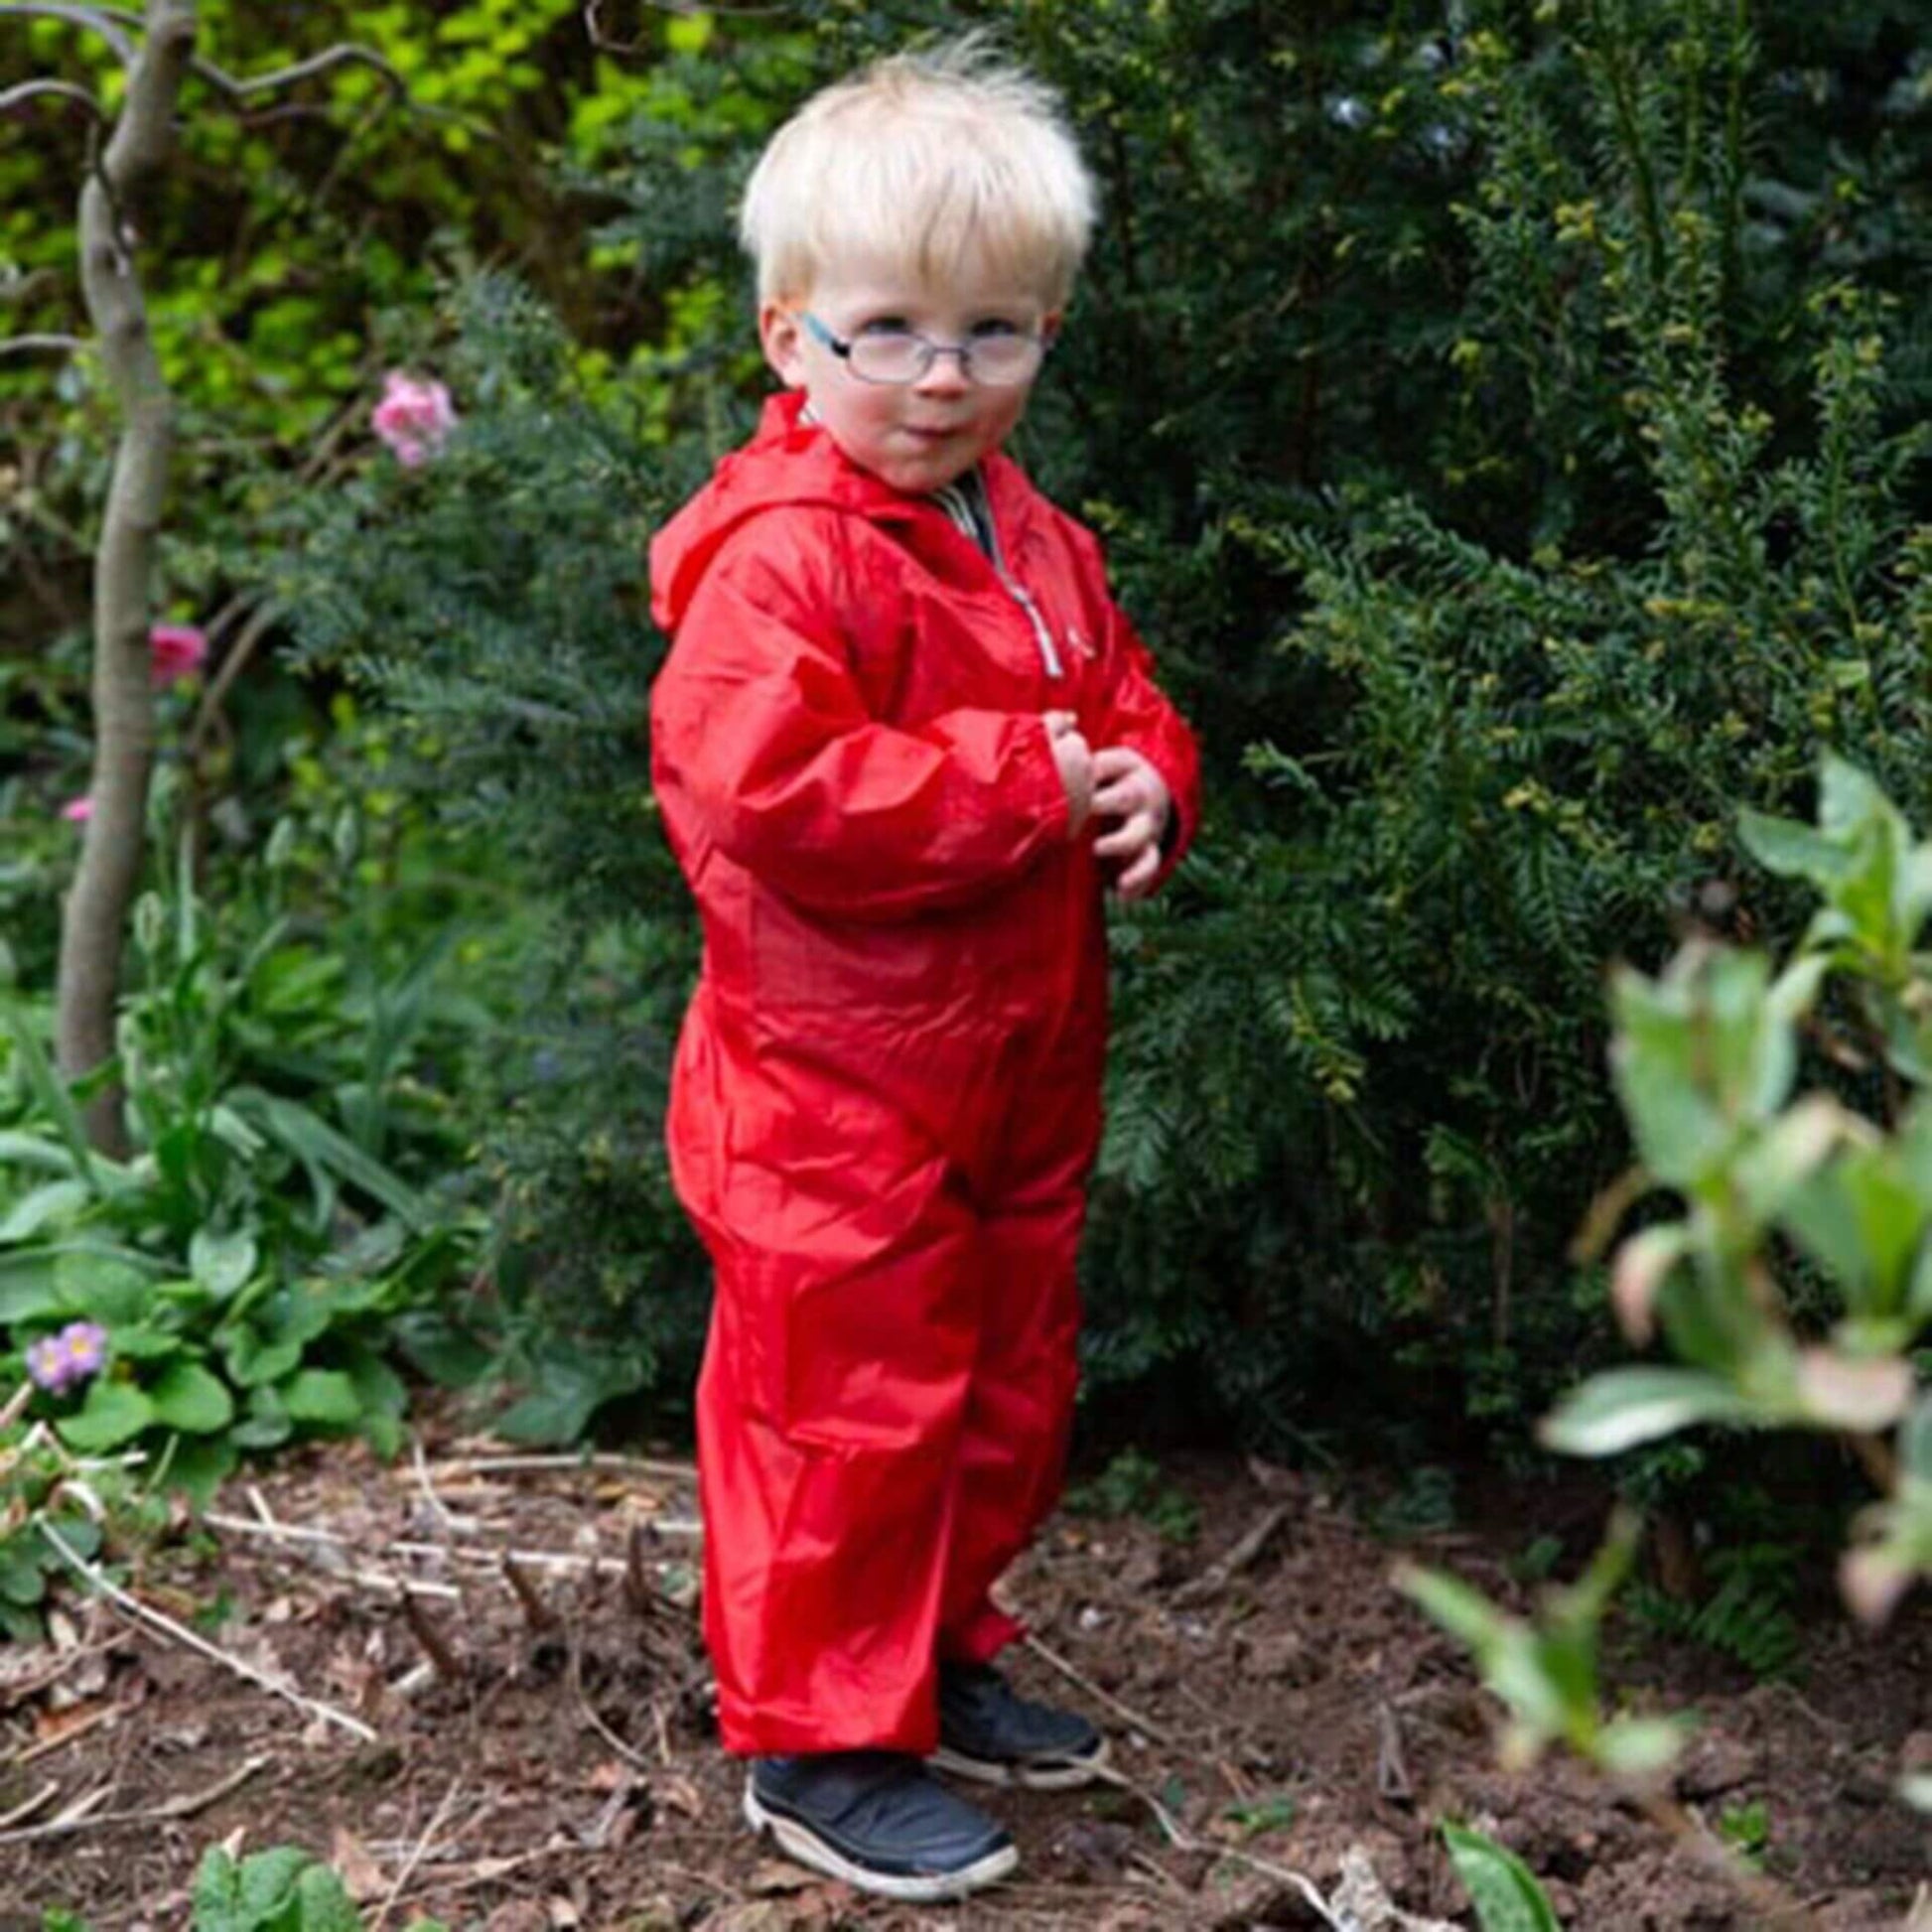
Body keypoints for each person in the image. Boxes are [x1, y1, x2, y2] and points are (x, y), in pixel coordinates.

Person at [647, 35, 1200, 1904]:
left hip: (1016, 1053)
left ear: (1043, 333)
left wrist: (1146, 780)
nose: (942, 375)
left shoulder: (1029, 531)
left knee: (998, 1377)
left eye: (994, 331)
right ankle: (817, 1737)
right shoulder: (786, 558)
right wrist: (1023, 779)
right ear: (788, 335)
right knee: (845, 1403)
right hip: (830, 1084)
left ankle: (937, 1651)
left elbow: (1112, 700)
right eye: (888, 330)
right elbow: (762, 786)